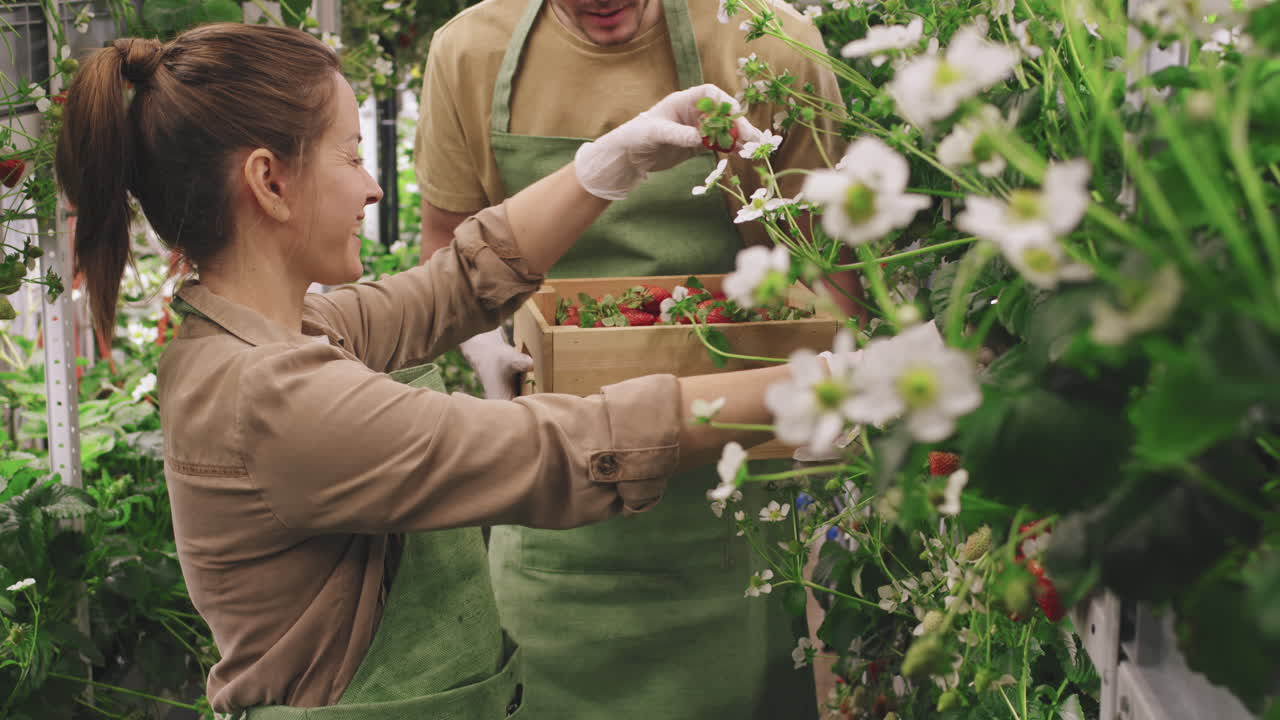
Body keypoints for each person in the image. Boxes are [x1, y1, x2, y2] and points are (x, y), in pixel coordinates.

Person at [53, 23, 832, 718]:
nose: (373, 185)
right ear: (269, 181)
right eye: (352, 156)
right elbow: (562, 445)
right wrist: (826, 384)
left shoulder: (267, 334)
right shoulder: (273, 396)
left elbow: (448, 287)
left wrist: (612, 163)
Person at [414, 0, 850, 717]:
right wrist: (483, 344)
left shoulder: (770, 45)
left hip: (732, 498)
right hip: (553, 489)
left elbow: (826, 272)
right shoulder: (470, 52)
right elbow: (445, 242)